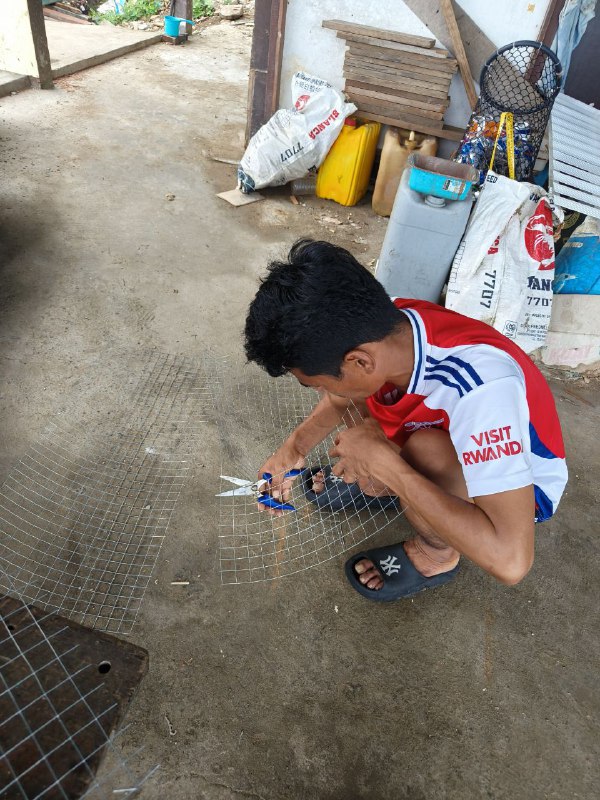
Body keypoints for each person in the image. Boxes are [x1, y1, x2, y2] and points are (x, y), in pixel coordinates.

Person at [244, 240, 567, 601]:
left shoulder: (483, 390)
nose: (320, 391)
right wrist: (293, 449)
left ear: (360, 361)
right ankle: (389, 477)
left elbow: (511, 561)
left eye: (315, 383)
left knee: (425, 451)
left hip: (518, 491)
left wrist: (387, 466)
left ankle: (437, 554)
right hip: (450, 429)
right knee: (364, 407)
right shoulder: (382, 325)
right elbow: (341, 396)